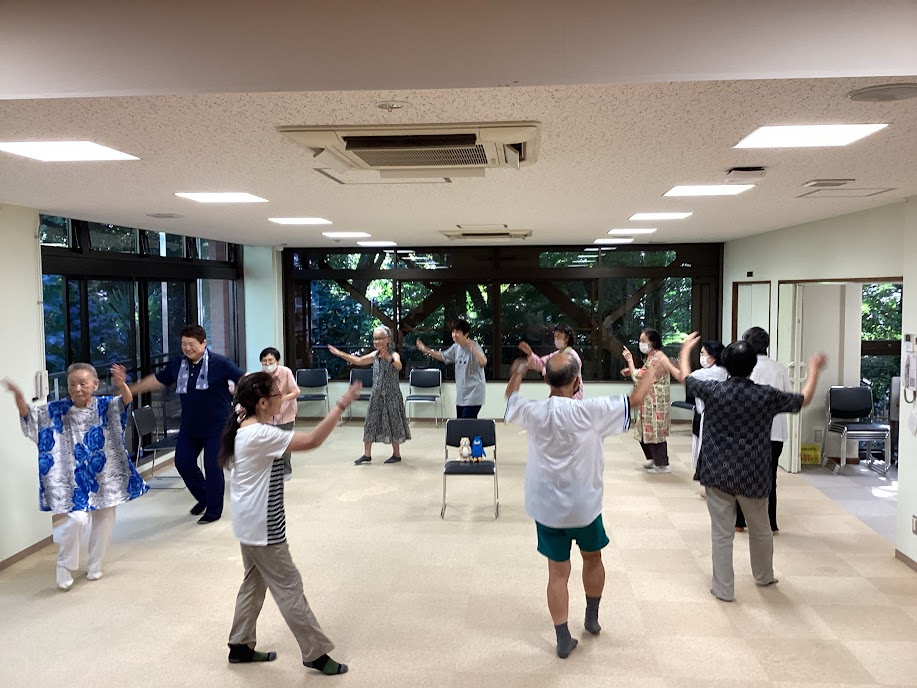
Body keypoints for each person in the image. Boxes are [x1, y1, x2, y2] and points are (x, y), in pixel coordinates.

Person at [504, 353, 657, 658]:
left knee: (557, 572)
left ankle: (562, 638)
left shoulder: (533, 412)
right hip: (585, 507)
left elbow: (511, 398)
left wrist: (519, 371)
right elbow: (636, 399)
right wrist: (653, 369)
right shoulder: (591, 411)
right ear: (577, 382)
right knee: (593, 558)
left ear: (547, 381)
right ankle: (592, 617)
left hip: (548, 509)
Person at [219, 372, 362, 675]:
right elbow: (312, 440)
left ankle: (240, 646)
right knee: (289, 586)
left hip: (248, 522)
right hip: (263, 526)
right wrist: (340, 405)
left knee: (254, 582)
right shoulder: (260, 434)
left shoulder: (245, 424)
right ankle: (315, 653)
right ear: (262, 403)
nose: (282, 398)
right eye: (277, 395)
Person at [677, 333, 827, 602]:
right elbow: (802, 400)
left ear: (725, 364)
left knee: (721, 533)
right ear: (752, 366)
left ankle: (723, 589)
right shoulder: (765, 395)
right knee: (760, 529)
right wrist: (814, 370)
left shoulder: (714, 391)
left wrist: (685, 350)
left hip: (717, 472)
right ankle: (764, 576)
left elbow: (686, 378)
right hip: (753, 473)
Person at [5, 363, 148, 590]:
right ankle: (64, 565)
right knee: (77, 519)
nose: (77, 388)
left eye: (83, 383)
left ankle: (95, 565)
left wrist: (121, 384)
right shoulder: (57, 410)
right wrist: (19, 397)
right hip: (73, 477)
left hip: (104, 474)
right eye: (72, 384)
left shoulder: (104, 406)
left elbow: (125, 402)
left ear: (95, 384)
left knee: (105, 520)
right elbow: (30, 417)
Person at [129, 324, 243, 523]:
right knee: (183, 462)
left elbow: (243, 379)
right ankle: (204, 497)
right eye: (184, 344)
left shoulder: (220, 363)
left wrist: (244, 400)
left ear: (203, 343)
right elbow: (158, 380)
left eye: (191, 344)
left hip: (218, 425)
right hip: (190, 425)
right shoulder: (178, 365)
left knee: (212, 466)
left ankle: (213, 510)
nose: (187, 348)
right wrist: (131, 390)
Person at [735, 326, 792, 533]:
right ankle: (771, 523)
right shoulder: (779, 368)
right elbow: (787, 397)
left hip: (748, 432)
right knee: (770, 478)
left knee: (742, 475)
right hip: (775, 432)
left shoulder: (745, 367)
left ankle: (739, 521)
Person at [328, 325, 411, 465]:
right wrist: (340, 354)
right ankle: (367, 454)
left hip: (391, 395)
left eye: (380, 338)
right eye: (375, 339)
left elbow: (399, 365)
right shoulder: (374, 355)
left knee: (393, 423)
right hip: (376, 394)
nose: (377, 341)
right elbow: (359, 360)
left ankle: (396, 454)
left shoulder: (394, 354)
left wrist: (389, 359)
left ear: (388, 339)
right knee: (370, 423)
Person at [621, 328, 672, 473]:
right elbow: (644, 372)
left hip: (656, 403)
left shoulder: (657, 358)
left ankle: (662, 464)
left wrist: (630, 361)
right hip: (649, 401)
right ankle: (652, 458)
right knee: (644, 431)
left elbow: (638, 376)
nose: (641, 344)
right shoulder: (652, 357)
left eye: (643, 341)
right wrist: (631, 369)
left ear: (653, 342)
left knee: (655, 433)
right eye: (640, 341)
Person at [416, 319, 487, 418]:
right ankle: (475, 430)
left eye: (458, 332)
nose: (454, 335)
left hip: (474, 392)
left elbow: (483, 362)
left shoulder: (474, 346)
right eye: (453, 332)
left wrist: (474, 350)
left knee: (466, 422)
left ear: (466, 334)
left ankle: (476, 430)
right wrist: (426, 350)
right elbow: (442, 356)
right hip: (462, 393)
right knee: (461, 423)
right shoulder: (455, 347)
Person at [259, 347, 300, 481]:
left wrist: (281, 399)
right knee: (269, 443)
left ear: (277, 361)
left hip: (285, 413)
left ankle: (286, 470)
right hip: (268, 415)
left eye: (270, 361)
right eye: (264, 361)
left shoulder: (285, 372)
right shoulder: (261, 376)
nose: (267, 364)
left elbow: (296, 392)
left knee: (284, 443)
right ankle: (271, 471)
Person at [517, 324, 585, 400]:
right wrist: (530, 353)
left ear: (567, 338)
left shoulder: (573, 356)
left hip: (572, 397)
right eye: (555, 336)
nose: (556, 339)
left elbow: (566, 375)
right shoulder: (554, 355)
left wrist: (547, 372)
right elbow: (540, 363)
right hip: (557, 397)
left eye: (559, 336)